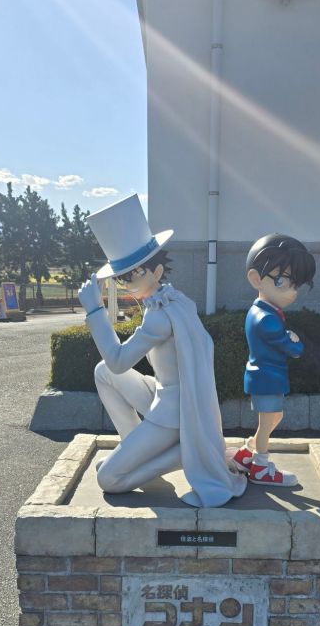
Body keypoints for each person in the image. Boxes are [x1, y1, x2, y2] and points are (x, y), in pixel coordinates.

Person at [77, 194, 247, 507]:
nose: (128, 283)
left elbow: (118, 361)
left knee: (108, 479)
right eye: (123, 277)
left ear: (156, 271)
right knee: (101, 373)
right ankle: (135, 449)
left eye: (134, 275)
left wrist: (95, 311)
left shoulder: (159, 315)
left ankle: (181, 454)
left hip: (173, 415)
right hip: (168, 397)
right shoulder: (175, 299)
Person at [231, 234, 316, 485]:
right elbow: (293, 349)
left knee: (273, 418)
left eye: (295, 285)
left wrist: (288, 337)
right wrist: (294, 340)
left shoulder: (261, 311)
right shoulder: (266, 318)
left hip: (266, 376)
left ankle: (245, 454)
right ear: (255, 279)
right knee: (269, 420)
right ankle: (260, 467)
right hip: (267, 376)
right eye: (282, 282)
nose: (292, 293)